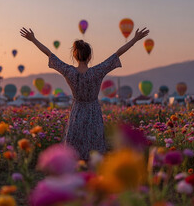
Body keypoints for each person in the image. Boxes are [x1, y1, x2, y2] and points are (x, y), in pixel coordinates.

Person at [20, 27, 149, 160]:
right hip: (94, 112)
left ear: (75, 56)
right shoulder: (97, 71)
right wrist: (135, 39)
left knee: (75, 147)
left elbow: (49, 54)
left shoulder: (68, 71)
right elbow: (117, 54)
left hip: (77, 112)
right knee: (95, 149)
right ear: (89, 56)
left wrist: (33, 39)